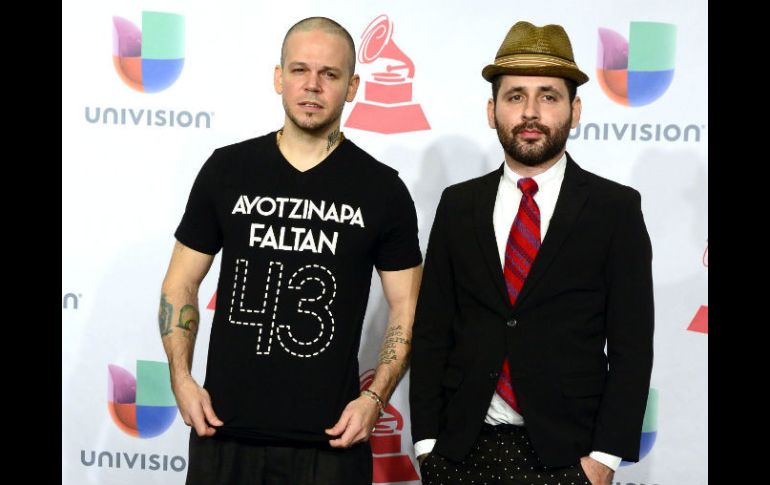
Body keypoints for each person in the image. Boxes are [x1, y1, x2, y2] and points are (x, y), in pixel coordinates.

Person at [158, 16, 423, 485]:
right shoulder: (228, 170)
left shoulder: (381, 189)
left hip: (332, 443)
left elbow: (408, 305)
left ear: (353, 86)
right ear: (279, 77)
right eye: (300, 70)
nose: (313, 86)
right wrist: (180, 379)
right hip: (223, 434)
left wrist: (375, 400)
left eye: (330, 74)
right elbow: (181, 280)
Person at [409, 21, 654, 485]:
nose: (531, 112)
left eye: (549, 96)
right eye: (515, 96)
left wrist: (603, 460)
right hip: (461, 452)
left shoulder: (615, 209)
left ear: (575, 109)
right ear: (492, 109)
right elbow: (432, 331)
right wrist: (427, 445)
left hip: (569, 456)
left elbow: (632, 347)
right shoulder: (458, 204)